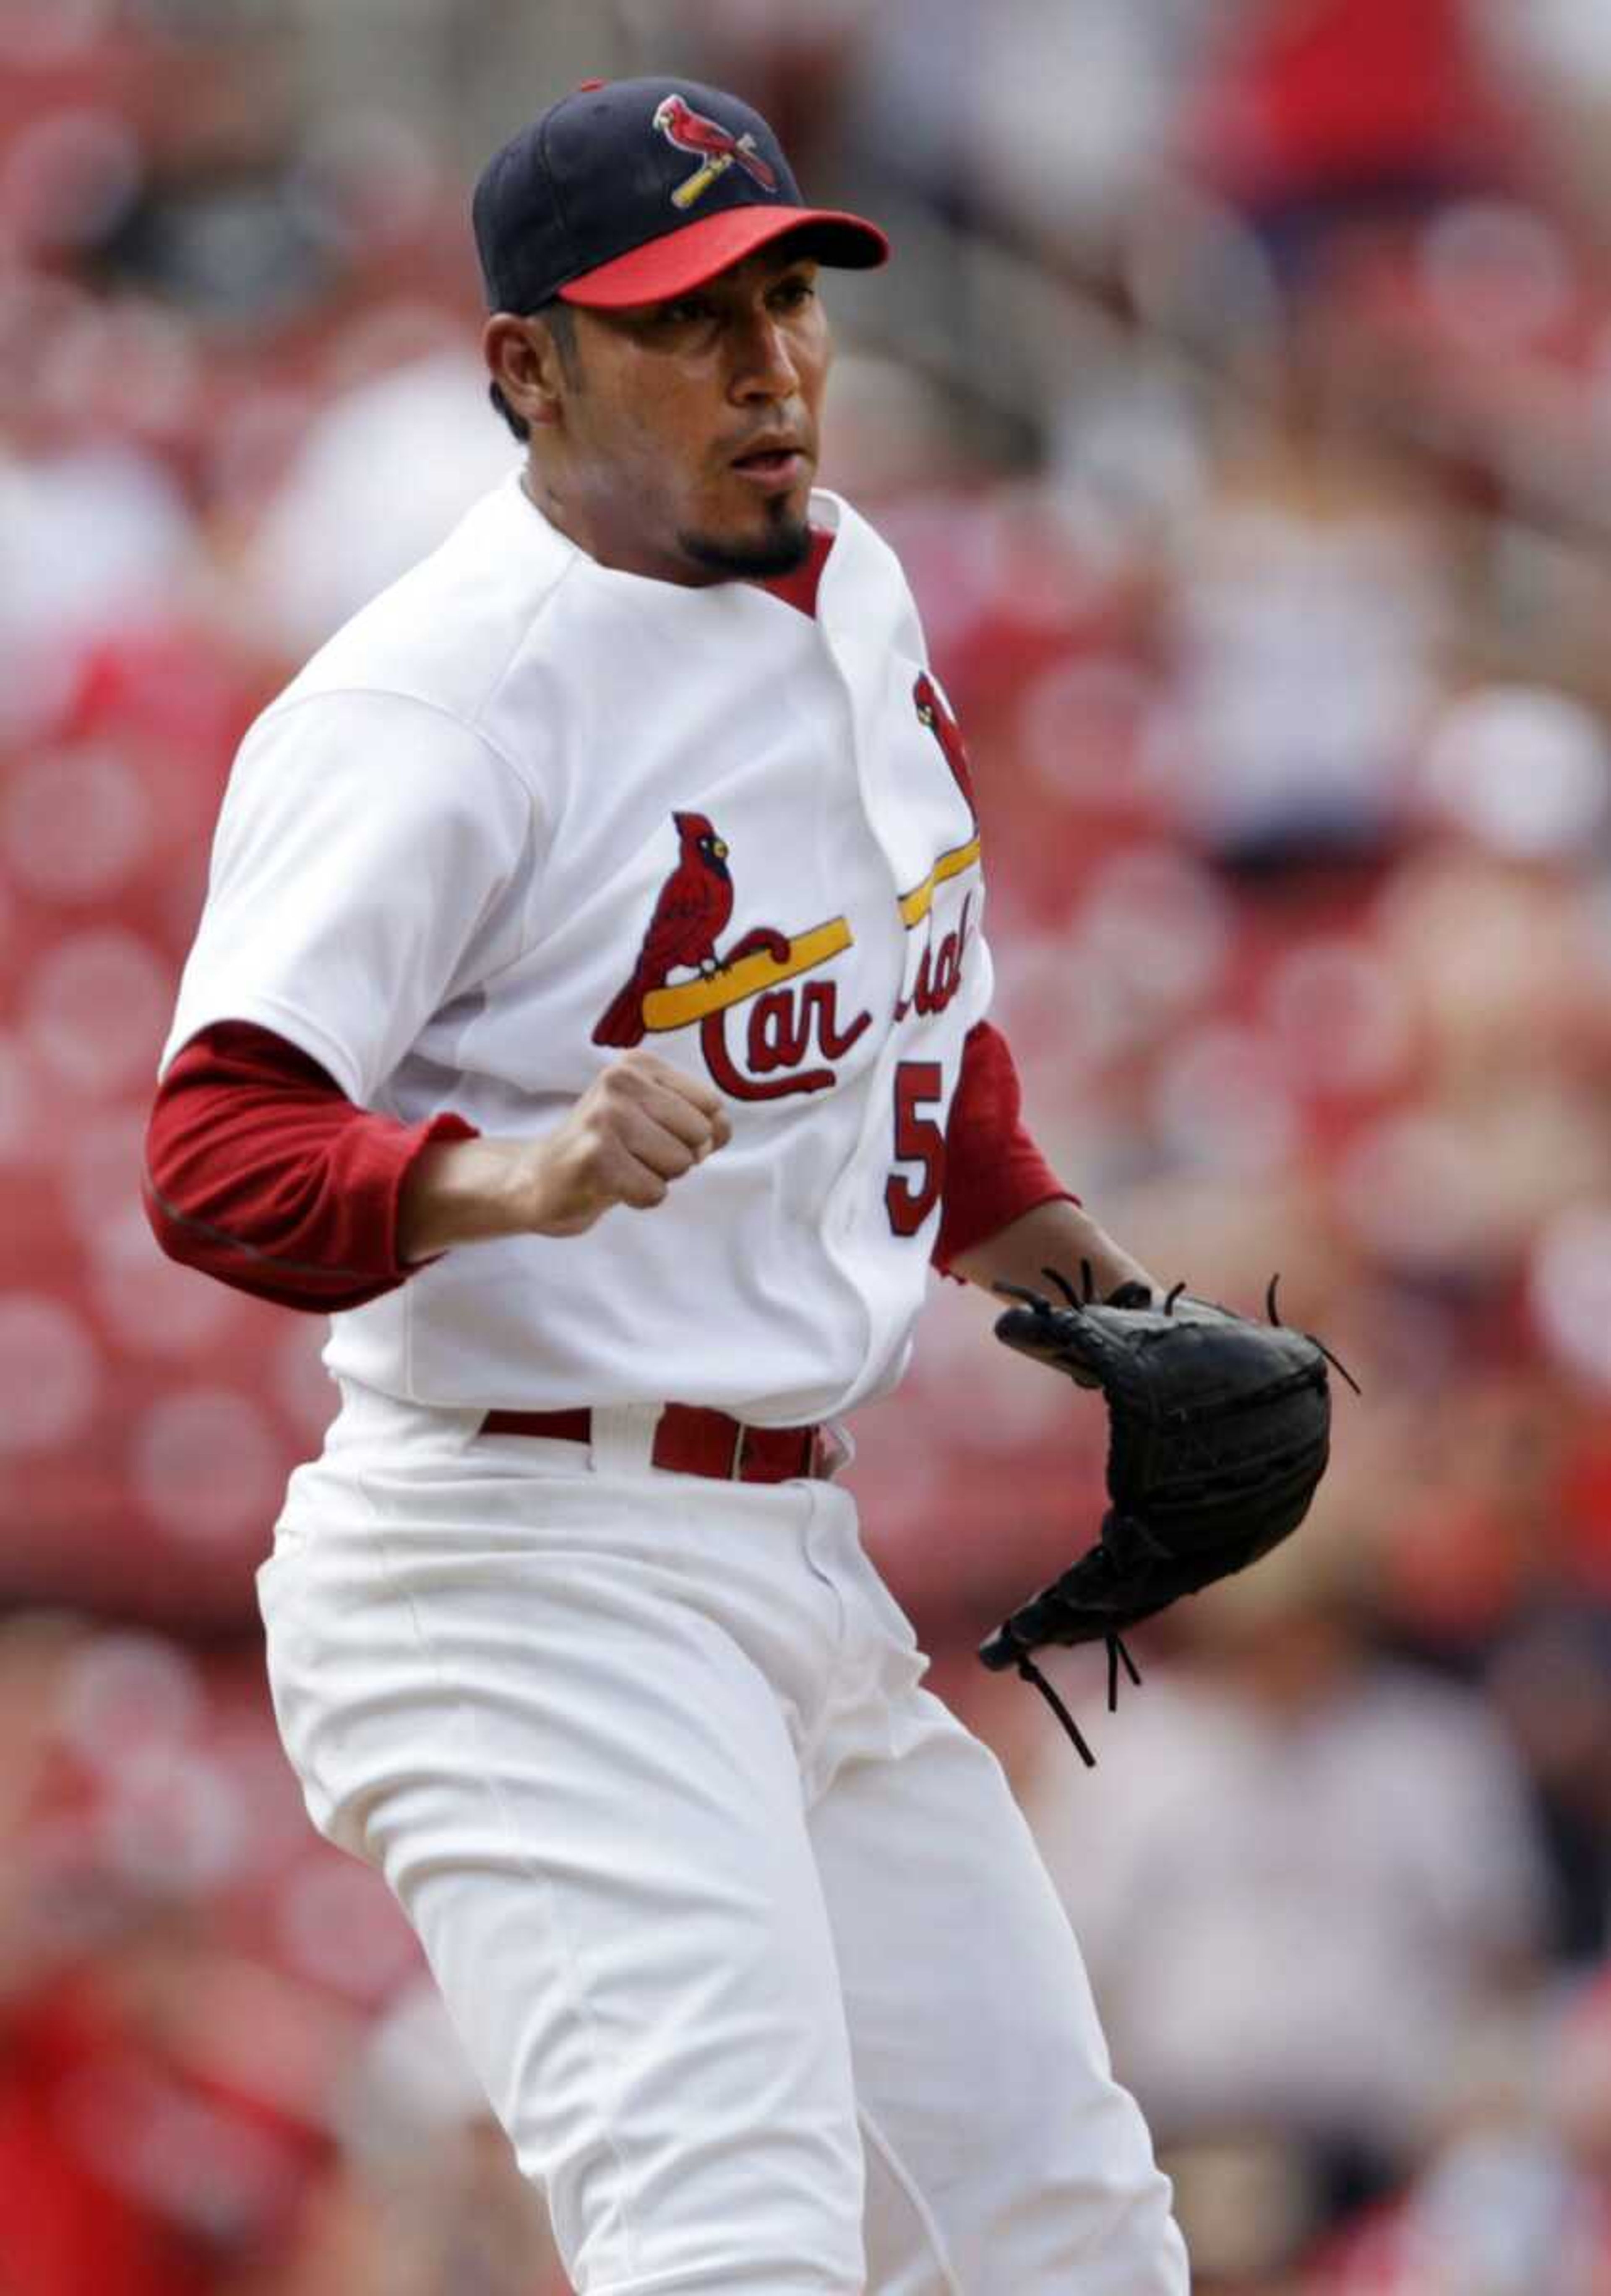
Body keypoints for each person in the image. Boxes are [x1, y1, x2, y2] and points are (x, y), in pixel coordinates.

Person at [145, 75, 1189, 2296]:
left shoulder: (860, 588)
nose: (770, 363)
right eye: (687, 319)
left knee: (1060, 2236)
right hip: (521, 1562)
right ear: (525, 365)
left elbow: (928, 1042)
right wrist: (504, 1176)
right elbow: (214, 1144)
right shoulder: (437, 701)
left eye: (786, 297)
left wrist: (1113, 1300)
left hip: (789, 1556)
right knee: (732, 2244)